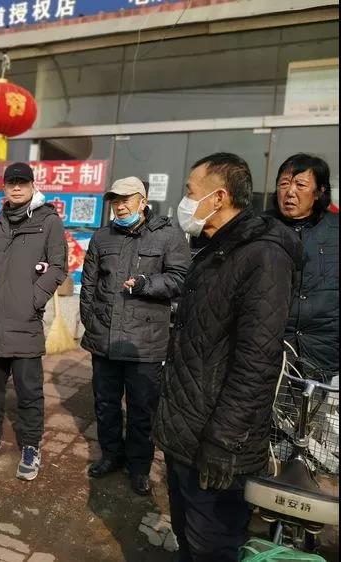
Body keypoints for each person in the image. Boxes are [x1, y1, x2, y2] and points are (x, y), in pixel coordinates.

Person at [153, 153, 302, 562]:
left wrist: (223, 441)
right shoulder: (215, 250)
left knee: (211, 546)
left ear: (218, 197)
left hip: (217, 443)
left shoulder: (263, 257)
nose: (184, 201)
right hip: (187, 430)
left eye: (190, 192)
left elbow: (257, 361)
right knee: (187, 537)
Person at [79, 177, 190, 495]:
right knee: (105, 404)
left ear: (143, 201)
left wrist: (146, 284)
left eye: (126, 199)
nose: (120, 206)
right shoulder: (102, 237)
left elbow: (181, 278)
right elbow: (89, 284)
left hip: (146, 343)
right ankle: (111, 455)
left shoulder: (168, 235)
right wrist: (91, 320)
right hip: (105, 339)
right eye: (115, 200)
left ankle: (139, 467)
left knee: (142, 409)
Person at [0, 162, 68, 481]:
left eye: (23, 182)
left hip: (25, 322)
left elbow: (58, 267)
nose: (17, 187)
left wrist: (33, 299)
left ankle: (31, 446)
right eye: (11, 183)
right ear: (4, 188)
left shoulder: (48, 222)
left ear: (33, 186)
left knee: (29, 392)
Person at [267, 153, 338, 374]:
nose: (290, 192)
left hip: (326, 351)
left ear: (319, 191)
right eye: (284, 184)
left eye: (300, 185)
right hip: (271, 349)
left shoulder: (336, 230)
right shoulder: (260, 228)